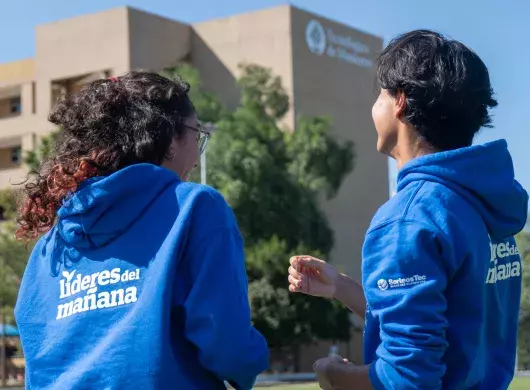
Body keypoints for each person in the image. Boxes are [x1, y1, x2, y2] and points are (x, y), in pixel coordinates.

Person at [288, 30, 528, 390]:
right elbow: (449, 317)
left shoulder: (409, 218)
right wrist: (340, 287)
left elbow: (408, 379)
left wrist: (332, 374)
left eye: (380, 95)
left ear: (400, 100)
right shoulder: (481, 204)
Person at [14, 71, 269, 389]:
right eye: (197, 133)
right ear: (170, 138)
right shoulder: (193, 208)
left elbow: (40, 352)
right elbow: (225, 342)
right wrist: (252, 360)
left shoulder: (49, 246)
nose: (198, 148)